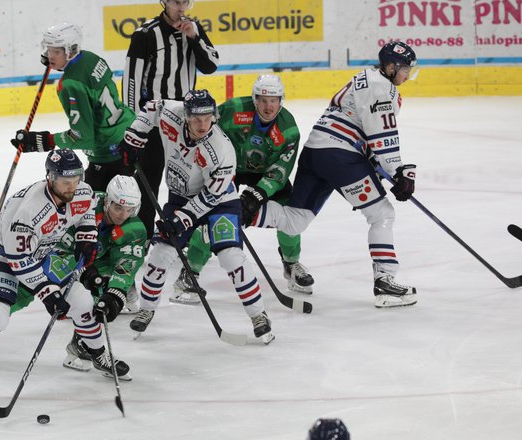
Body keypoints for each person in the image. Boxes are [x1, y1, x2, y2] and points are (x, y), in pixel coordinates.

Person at [0, 149, 130, 407]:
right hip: (2, 259)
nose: (72, 187)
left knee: (82, 301)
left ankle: (97, 353)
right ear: (50, 178)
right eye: (65, 182)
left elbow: (86, 211)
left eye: (75, 179)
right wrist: (48, 293)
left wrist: (87, 236)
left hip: (43, 253)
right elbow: (19, 260)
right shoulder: (28, 212)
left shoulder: (81, 190)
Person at [253, 42, 419, 308]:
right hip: (340, 156)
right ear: (390, 67)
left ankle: (237, 213)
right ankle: (386, 282)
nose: (407, 75)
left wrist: (389, 168)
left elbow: (365, 131)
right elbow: (381, 136)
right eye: (405, 70)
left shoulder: (366, 77)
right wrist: (398, 171)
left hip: (316, 150)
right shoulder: (381, 87)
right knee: (382, 214)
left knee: (295, 220)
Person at [119, 89, 275, 344]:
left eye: (207, 118)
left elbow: (211, 197)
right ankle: (147, 309)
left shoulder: (222, 150)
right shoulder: (172, 111)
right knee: (160, 253)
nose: (203, 124)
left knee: (231, 257)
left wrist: (182, 219)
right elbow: (151, 107)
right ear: (186, 116)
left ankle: (259, 315)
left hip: (220, 203)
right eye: (196, 119)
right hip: (180, 196)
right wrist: (134, 135)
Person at [171, 75, 314, 305]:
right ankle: (190, 272)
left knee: (291, 210)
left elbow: (280, 170)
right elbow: (205, 129)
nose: (268, 106)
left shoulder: (289, 129)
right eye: (263, 100)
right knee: (214, 214)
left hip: (264, 172)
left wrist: (257, 194)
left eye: (274, 100)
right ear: (254, 99)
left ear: (282, 101)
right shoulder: (234, 109)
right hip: (228, 168)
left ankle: (291, 263)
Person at [122, 0, 219, 238]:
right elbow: (131, 83)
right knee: (149, 179)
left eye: (186, 2)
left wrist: (195, 38)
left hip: (189, 122)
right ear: (164, 3)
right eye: (177, 2)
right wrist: (136, 127)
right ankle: (142, 235)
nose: (182, 8)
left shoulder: (194, 28)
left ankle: (183, 231)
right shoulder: (145, 34)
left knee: (188, 180)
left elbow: (211, 65)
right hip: (156, 121)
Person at [11, 23, 135, 192]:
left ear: (71, 50)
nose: (50, 55)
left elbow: (83, 137)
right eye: (48, 50)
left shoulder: (70, 84)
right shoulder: (91, 58)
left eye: (56, 51)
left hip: (109, 153)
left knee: (94, 208)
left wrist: (45, 140)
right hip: (130, 134)